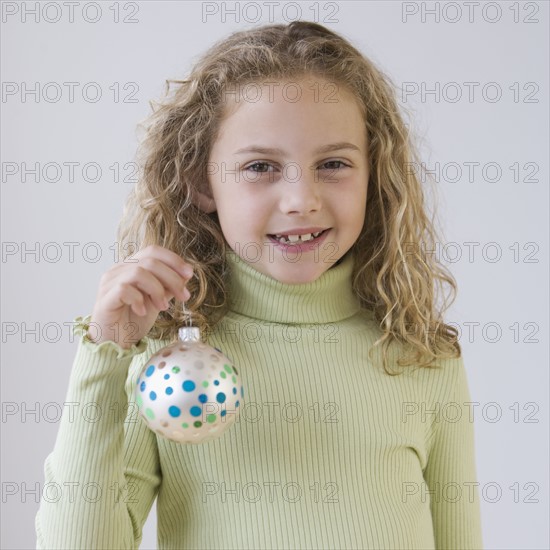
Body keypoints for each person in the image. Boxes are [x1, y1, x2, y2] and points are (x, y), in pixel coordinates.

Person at [35, 21, 483, 549]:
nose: (301, 199)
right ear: (202, 182)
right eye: (261, 167)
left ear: (374, 175)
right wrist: (105, 352)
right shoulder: (164, 365)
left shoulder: (420, 357)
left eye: (334, 164)